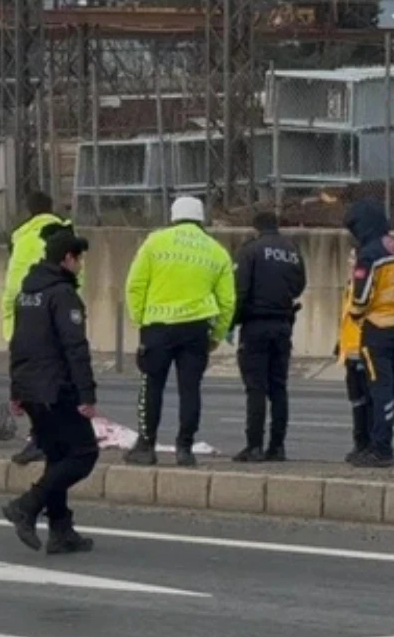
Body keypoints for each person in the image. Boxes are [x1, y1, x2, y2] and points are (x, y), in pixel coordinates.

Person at [2, 230, 99, 555]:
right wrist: (86, 395)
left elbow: (17, 344)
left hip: (31, 388)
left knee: (57, 456)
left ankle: (61, 530)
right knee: (84, 454)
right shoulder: (62, 295)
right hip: (56, 389)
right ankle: (26, 506)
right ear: (67, 259)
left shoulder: (26, 294)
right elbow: (75, 347)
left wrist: (17, 390)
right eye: (79, 259)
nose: (81, 266)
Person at [123, 196, 235, 467]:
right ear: (201, 218)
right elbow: (228, 301)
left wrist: (141, 321)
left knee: (152, 386)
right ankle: (184, 448)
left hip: (157, 328)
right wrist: (217, 336)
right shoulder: (216, 251)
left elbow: (135, 286)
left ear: (173, 217)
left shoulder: (155, 242)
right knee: (190, 389)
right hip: (196, 329)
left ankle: (146, 446)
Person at [343, 200, 394, 468]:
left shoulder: (369, 254)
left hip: (377, 329)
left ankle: (380, 448)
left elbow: (361, 298)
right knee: (390, 389)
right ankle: (379, 445)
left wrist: (355, 313)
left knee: (379, 391)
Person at [1, 192, 74, 467]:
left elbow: (12, 281)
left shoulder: (19, 237)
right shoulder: (66, 233)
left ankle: (39, 438)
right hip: (57, 309)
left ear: (28, 210)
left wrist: (8, 319)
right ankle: (50, 437)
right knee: (58, 377)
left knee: (26, 380)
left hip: (24, 311)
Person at [230, 210, 306, 463]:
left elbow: (240, 290)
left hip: (256, 325)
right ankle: (277, 446)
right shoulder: (291, 249)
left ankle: (254, 446)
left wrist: (231, 322)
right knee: (278, 388)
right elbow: (299, 286)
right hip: (283, 324)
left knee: (256, 389)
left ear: (256, 227)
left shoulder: (250, 250)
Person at [333, 247, 372, 463]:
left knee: (367, 399)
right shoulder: (350, 286)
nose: (350, 263)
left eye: (353, 259)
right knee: (357, 401)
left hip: (363, 350)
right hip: (351, 350)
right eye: (349, 259)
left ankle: (368, 443)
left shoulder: (363, 287)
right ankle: (360, 442)